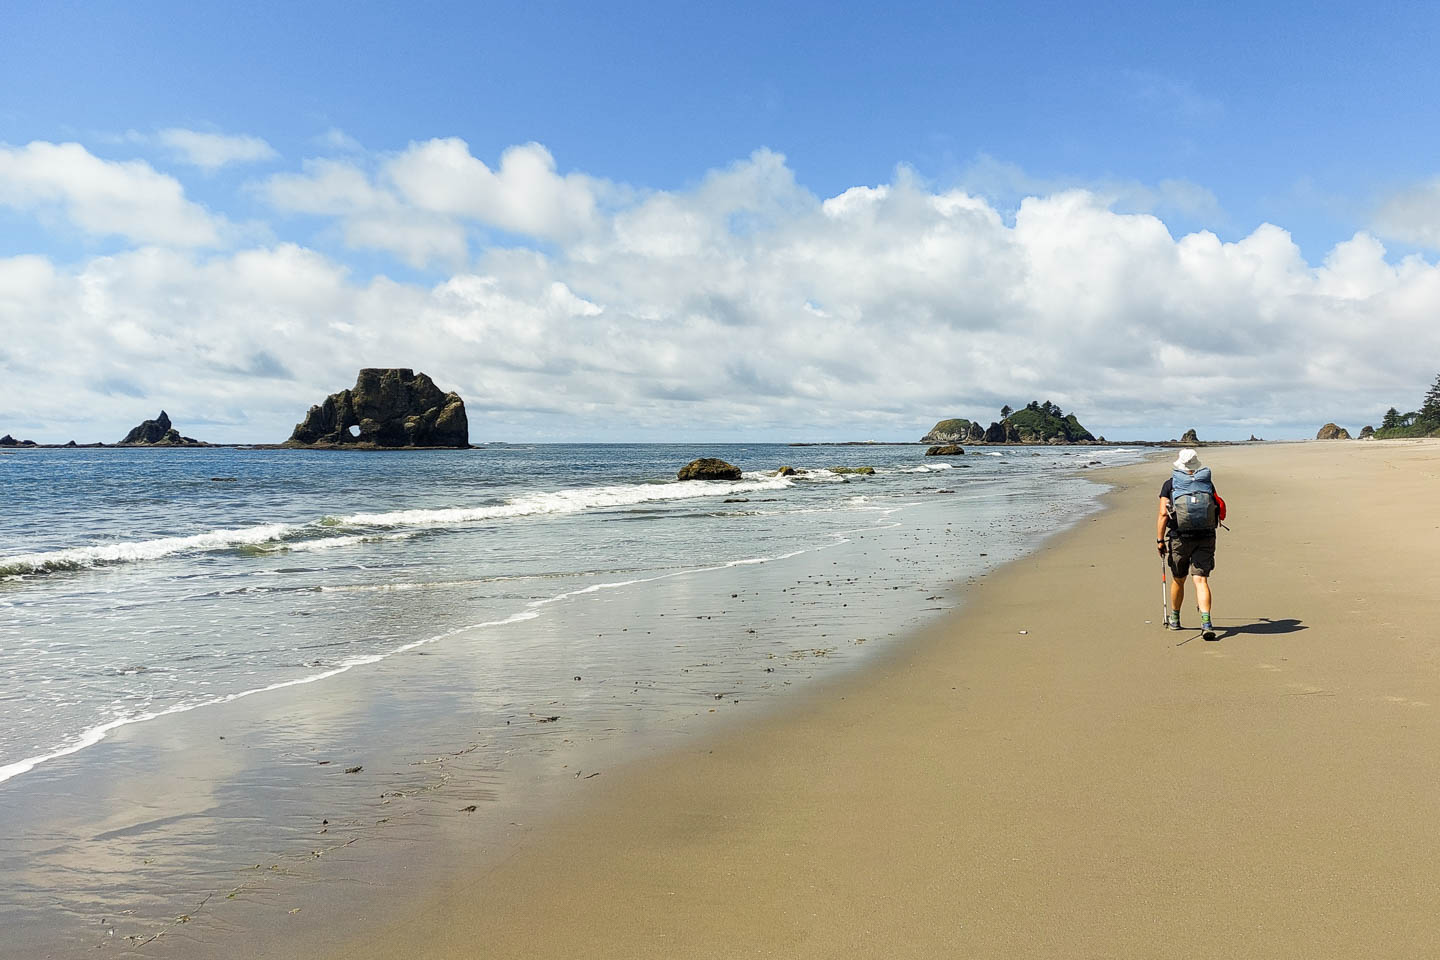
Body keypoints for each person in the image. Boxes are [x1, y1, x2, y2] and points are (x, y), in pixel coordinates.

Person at [1156, 448, 1219, 638]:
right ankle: (1206, 623)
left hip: (1180, 537)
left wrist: (1160, 540)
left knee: (1179, 579)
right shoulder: (1207, 483)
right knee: (1201, 580)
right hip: (1206, 535)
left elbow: (1162, 514)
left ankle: (1175, 619)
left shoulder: (1170, 484)